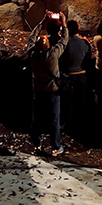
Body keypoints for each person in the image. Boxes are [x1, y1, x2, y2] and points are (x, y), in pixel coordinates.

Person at [27, 11, 69, 156]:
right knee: (54, 119)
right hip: (52, 90)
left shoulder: (32, 54)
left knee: (37, 119)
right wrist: (64, 23)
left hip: (38, 89)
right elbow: (64, 39)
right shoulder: (53, 54)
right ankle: (55, 147)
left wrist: (42, 23)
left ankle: (37, 145)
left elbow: (31, 39)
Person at [59, 20, 92, 133]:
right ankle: (81, 124)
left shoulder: (64, 43)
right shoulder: (85, 43)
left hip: (69, 76)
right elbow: (88, 59)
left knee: (68, 102)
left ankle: (67, 125)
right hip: (82, 75)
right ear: (78, 29)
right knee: (81, 101)